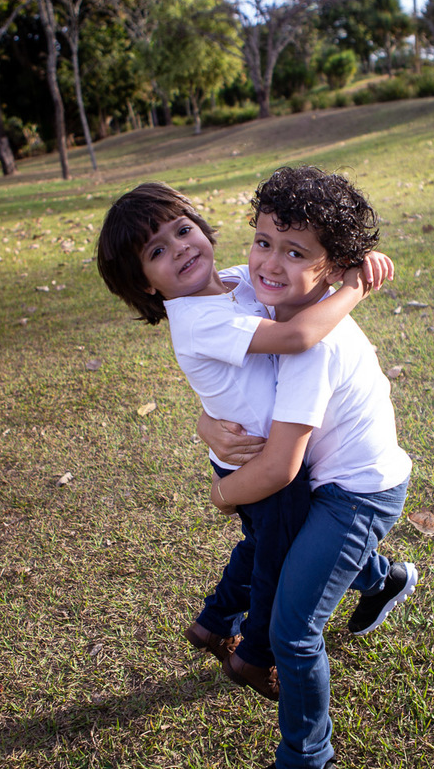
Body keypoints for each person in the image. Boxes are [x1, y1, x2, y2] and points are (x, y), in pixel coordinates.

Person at [94, 181, 393, 702]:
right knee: (278, 561)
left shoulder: (236, 279)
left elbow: (292, 270)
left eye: (182, 230)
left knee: (262, 546)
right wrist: (354, 289)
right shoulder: (197, 321)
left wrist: (349, 258)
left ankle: (214, 622)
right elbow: (297, 336)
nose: (179, 249)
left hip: (250, 453)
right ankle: (257, 656)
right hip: (264, 466)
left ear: (202, 227)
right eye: (156, 252)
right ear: (144, 284)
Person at [200, 166, 418, 769]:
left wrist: (222, 496)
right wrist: (204, 424)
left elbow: (277, 467)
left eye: (295, 252)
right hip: (320, 480)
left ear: (332, 268)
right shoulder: (260, 294)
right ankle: (382, 580)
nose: (269, 263)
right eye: (263, 241)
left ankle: (307, 755)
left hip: (357, 493)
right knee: (303, 559)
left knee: (293, 630)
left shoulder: (313, 345)